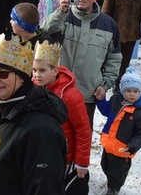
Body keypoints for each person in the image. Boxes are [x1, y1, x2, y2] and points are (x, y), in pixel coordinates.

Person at [0, 33, 67, 195]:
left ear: (22, 78)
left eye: (3, 73)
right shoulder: (1, 111)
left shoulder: (40, 131)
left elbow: (44, 188)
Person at [43, 0, 121, 128]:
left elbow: (114, 58)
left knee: (81, 139)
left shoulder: (108, 25)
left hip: (87, 95)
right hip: (58, 91)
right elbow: (44, 32)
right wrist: (61, 11)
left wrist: (105, 84)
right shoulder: (63, 17)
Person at [31, 40, 91, 194]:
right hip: (39, 152)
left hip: (63, 156)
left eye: (42, 70)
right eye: (34, 70)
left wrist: (81, 162)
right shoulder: (32, 90)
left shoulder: (70, 96)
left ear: (55, 70)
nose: (37, 75)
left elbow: (83, 130)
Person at [96, 67, 141, 195]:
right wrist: (100, 100)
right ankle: (111, 181)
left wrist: (133, 146)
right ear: (122, 90)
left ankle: (114, 189)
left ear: (140, 92)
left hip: (123, 149)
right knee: (105, 166)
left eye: (136, 91)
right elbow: (106, 110)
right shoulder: (116, 101)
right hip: (109, 145)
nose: (132, 94)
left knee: (117, 173)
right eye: (129, 90)